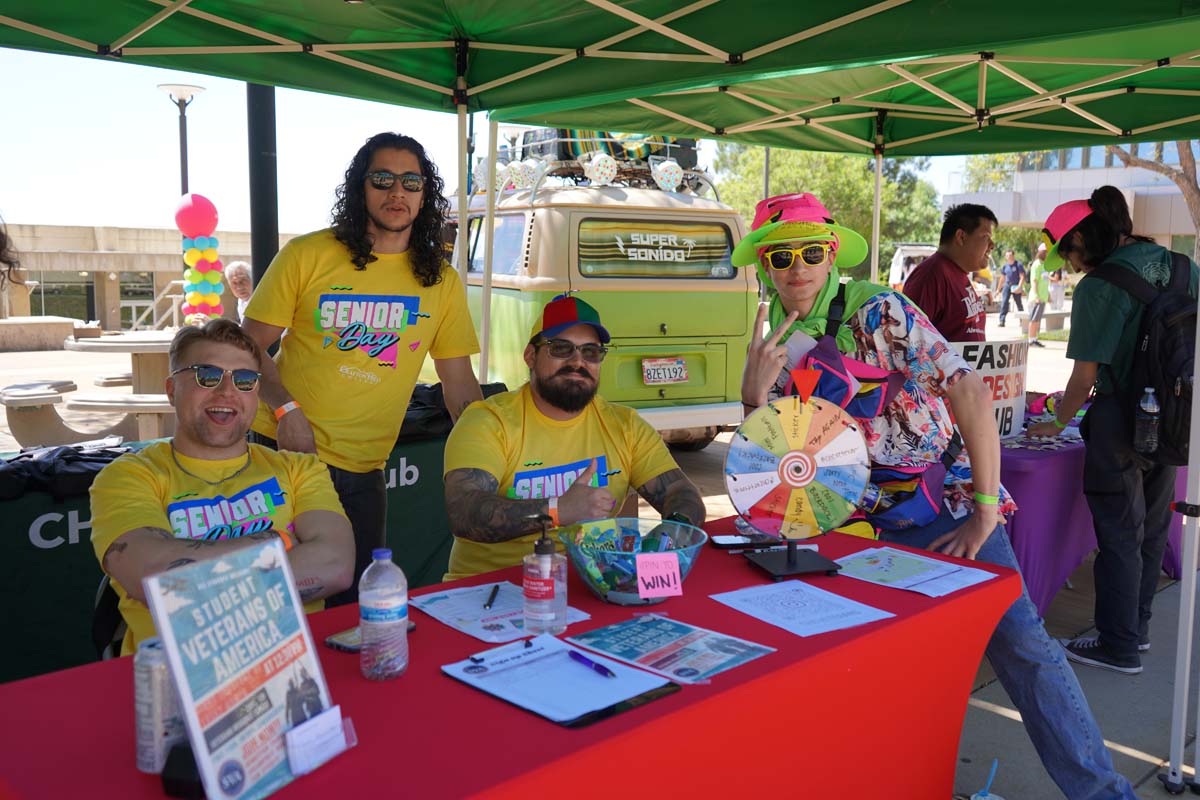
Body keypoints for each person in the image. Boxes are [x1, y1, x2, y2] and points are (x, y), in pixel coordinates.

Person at [736, 191, 1135, 800]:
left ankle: (1104, 793)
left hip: (943, 506)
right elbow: (768, 473)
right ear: (765, 265)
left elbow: (968, 391)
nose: (798, 268)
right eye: (781, 255)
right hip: (854, 527)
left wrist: (983, 512)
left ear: (833, 253)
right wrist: (752, 397)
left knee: (1022, 645)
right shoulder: (771, 343)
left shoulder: (879, 312)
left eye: (811, 251)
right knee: (863, 661)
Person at [242, 132, 482, 605]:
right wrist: (286, 409)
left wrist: (490, 449)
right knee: (273, 599)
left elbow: (458, 382)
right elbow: (245, 347)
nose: (397, 192)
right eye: (383, 179)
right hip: (283, 453)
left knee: (356, 607)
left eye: (411, 182)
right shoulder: (308, 254)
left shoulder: (440, 280)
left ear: (425, 194)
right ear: (360, 188)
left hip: (365, 468)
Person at [89, 319, 355, 655]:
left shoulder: (299, 468)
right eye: (207, 375)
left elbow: (336, 566)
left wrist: (193, 581)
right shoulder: (128, 476)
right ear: (171, 390)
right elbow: (153, 579)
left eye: (244, 380)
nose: (227, 391)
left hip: (293, 667)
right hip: (174, 673)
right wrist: (277, 542)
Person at [1029, 186, 1199, 675]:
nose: (1070, 264)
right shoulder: (1183, 267)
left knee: (1120, 531)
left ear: (1082, 238)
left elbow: (1084, 377)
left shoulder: (1099, 287)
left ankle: (1117, 645)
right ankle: (1136, 629)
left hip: (1120, 420)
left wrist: (1057, 421)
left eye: (1069, 253)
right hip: (1176, 415)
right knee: (1152, 526)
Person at [441, 294, 706, 579]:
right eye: (561, 348)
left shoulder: (625, 425)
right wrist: (557, 510)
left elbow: (681, 492)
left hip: (593, 582)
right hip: (491, 589)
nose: (578, 361)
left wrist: (672, 532)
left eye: (591, 352)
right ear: (530, 356)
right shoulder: (488, 421)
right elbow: (464, 511)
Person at [900, 203, 995, 342]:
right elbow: (908, 341)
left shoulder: (957, 273)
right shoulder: (930, 276)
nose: (992, 245)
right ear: (961, 237)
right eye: (986, 237)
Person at [1026, 242, 1050, 348]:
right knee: (1034, 319)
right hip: (1037, 298)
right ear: (1042, 252)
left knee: (1037, 320)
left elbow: (1044, 281)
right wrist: (1036, 296)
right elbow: (1034, 281)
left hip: (1042, 298)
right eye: (1046, 252)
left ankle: (1034, 338)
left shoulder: (1044, 265)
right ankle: (1031, 340)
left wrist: (1048, 295)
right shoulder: (1037, 265)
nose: (1048, 254)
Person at [997, 249, 1026, 327]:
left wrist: (1019, 287)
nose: (1009, 257)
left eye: (1010, 255)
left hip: (1016, 285)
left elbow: (1022, 277)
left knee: (1019, 303)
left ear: (1013, 256)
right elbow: (1002, 278)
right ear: (1005, 257)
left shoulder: (1018, 265)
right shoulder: (1005, 266)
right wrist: (998, 289)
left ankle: (1023, 321)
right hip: (1007, 285)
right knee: (1004, 302)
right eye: (1007, 256)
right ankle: (1002, 321)